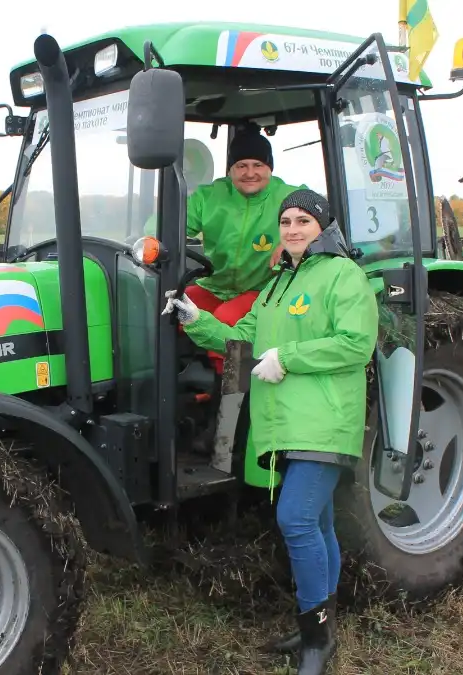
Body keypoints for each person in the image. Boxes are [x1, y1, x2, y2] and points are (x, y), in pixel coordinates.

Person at [162, 189, 378, 675]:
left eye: (304, 220)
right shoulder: (277, 284)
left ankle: (318, 642)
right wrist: (197, 321)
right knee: (317, 523)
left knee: (297, 519)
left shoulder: (343, 275)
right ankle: (318, 628)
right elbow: (242, 339)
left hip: (324, 420)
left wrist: (288, 357)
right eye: (286, 221)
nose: (293, 229)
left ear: (322, 227)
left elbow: (355, 343)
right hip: (284, 423)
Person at [182, 124, 307, 374]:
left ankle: (229, 399)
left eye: (258, 165)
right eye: (241, 166)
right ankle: (187, 379)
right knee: (175, 305)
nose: (250, 173)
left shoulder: (289, 195)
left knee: (226, 320)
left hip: (261, 289)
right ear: (231, 170)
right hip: (215, 285)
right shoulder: (210, 196)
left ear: (269, 168)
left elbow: (321, 221)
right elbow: (164, 223)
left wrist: (291, 239)